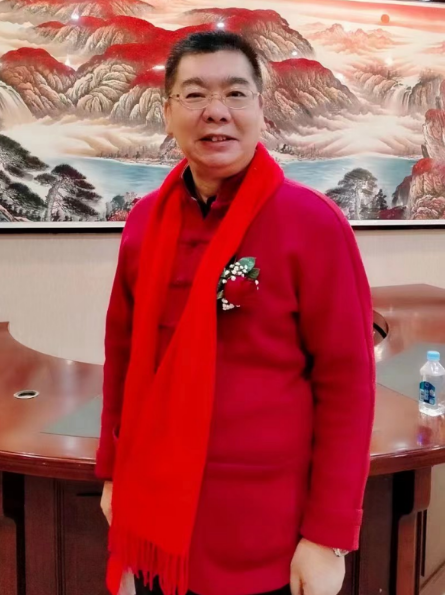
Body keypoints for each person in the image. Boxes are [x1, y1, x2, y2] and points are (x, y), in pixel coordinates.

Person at [96, 31, 375, 595]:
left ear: (261, 110)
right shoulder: (144, 222)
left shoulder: (312, 223)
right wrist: (111, 473)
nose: (216, 111)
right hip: (155, 517)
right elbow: (121, 360)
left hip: (265, 523)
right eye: (195, 94)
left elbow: (347, 384)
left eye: (235, 94)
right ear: (167, 112)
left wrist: (328, 536)